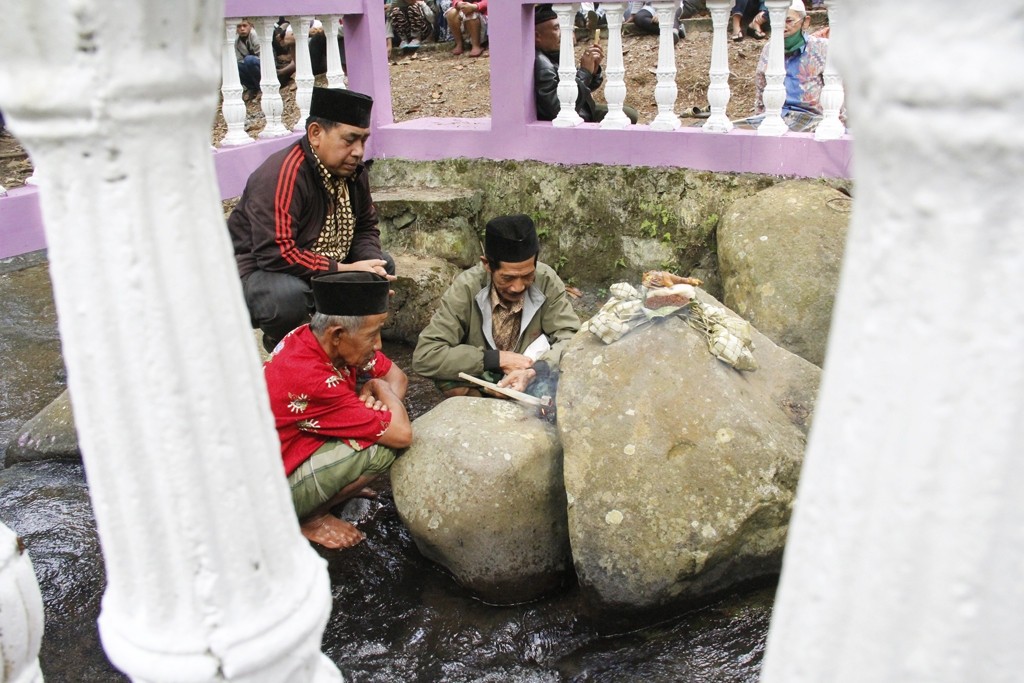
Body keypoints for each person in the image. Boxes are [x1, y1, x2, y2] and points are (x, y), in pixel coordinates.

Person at [227, 87, 395, 353]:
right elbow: (276, 253)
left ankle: (347, 349)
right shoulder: (282, 174)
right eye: (349, 140)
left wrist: (370, 268)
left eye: (363, 141)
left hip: (323, 266)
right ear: (316, 133)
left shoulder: (354, 172)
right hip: (261, 272)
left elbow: (365, 226)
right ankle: (285, 344)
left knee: (381, 266)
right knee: (286, 297)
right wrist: (346, 270)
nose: (358, 151)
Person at [265, 271, 412, 549]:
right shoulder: (312, 377)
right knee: (381, 449)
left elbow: (399, 377)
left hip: (277, 458)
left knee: (375, 428)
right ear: (338, 335)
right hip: (267, 496)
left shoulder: (314, 339)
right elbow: (401, 433)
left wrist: (379, 395)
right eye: (372, 335)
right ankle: (310, 518)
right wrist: (379, 389)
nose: (379, 344)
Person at [412, 214, 580, 398]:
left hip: (529, 374)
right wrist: (495, 359)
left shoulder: (546, 280)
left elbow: (571, 338)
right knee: (448, 379)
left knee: (562, 387)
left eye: (527, 276)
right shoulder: (466, 288)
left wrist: (535, 370)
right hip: (482, 377)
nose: (518, 287)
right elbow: (425, 356)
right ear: (487, 265)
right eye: (507, 278)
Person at [533, 4, 639, 124]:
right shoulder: (542, 65)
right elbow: (557, 108)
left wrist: (592, 71)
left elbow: (585, 88)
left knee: (629, 112)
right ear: (537, 36)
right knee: (629, 115)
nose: (564, 33)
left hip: (583, 109)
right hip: (576, 117)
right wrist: (585, 72)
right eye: (556, 28)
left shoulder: (555, 54)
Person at [749, 0, 832, 132]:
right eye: (778, 21)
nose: (783, 27)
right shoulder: (769, 49)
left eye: (788, 21)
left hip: (810, 119)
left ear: (805, 22)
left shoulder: (822, 48)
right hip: (773, 116)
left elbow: (839, 90)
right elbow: (761, 91)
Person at [235, 19, 261, 101]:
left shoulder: (255, 35)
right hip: (248, 64)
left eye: (244, 26)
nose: (242, 29)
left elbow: (261, 54)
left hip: (260, 64)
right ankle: (252, 88)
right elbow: (239, 59)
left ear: (250, 26)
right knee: (236, 66)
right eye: (239, 26)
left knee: (249, 60)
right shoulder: (236, 40)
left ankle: (260, 88)